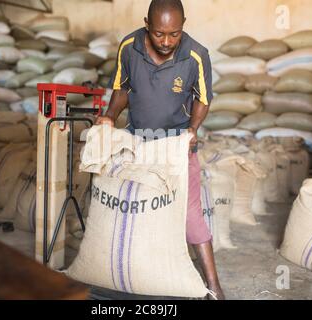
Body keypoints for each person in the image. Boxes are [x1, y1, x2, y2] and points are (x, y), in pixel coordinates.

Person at [96, 0, 225, 300]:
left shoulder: (196, 55)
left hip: (176, 144)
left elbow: (203, 98)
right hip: (137, 141)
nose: (166, 42)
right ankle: (132, 274)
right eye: (159, 34)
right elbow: (121, 88)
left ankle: (214, 286)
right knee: (133, 205)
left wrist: (193, 129)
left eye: (174, 34)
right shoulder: (129, 47)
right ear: (146, 24)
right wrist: (109, 116)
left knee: (191, 214)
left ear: (183, 26)